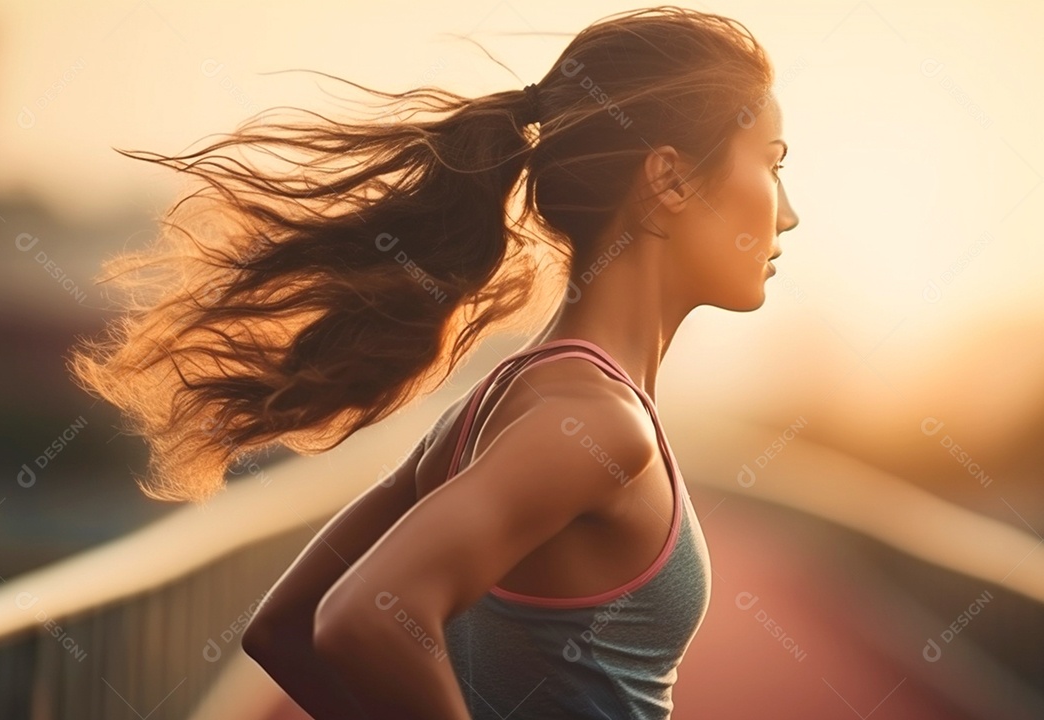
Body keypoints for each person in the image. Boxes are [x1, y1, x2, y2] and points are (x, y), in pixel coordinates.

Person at [68, 5, 798, 718]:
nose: (788, 211)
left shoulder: (507, 404)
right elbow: (361, 618)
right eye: (772, 164)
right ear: (668, 181)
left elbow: (282, 629)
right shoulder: (598, 425)